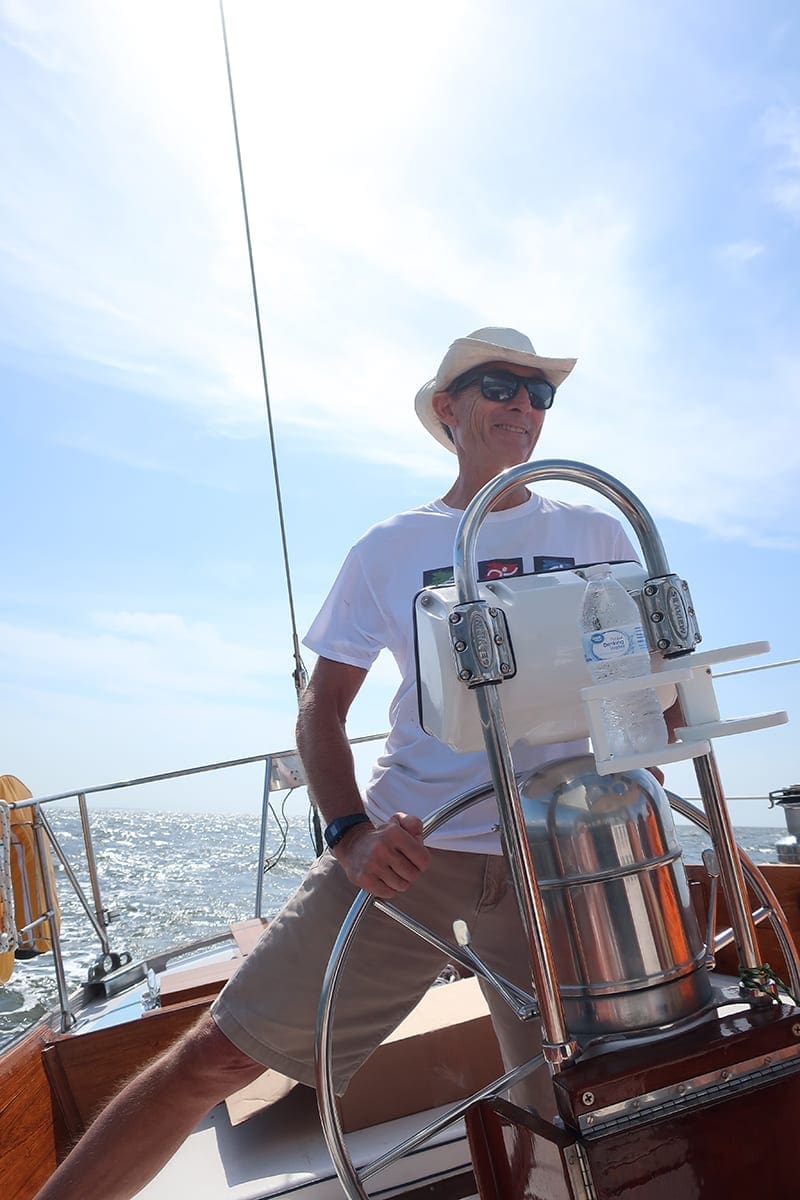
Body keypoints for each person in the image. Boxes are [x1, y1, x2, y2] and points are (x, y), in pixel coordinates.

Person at [34, 326, 642, 1200]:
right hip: (412, 852)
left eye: (539, 393)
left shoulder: (596, 527)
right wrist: (350, 831)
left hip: (563, 858)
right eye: (501, 385)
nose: (523, 405)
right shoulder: (389, 547)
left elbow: (645, 693)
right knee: (213, 1056)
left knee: (578, 1094)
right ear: (449, 408)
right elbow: (323, 711)